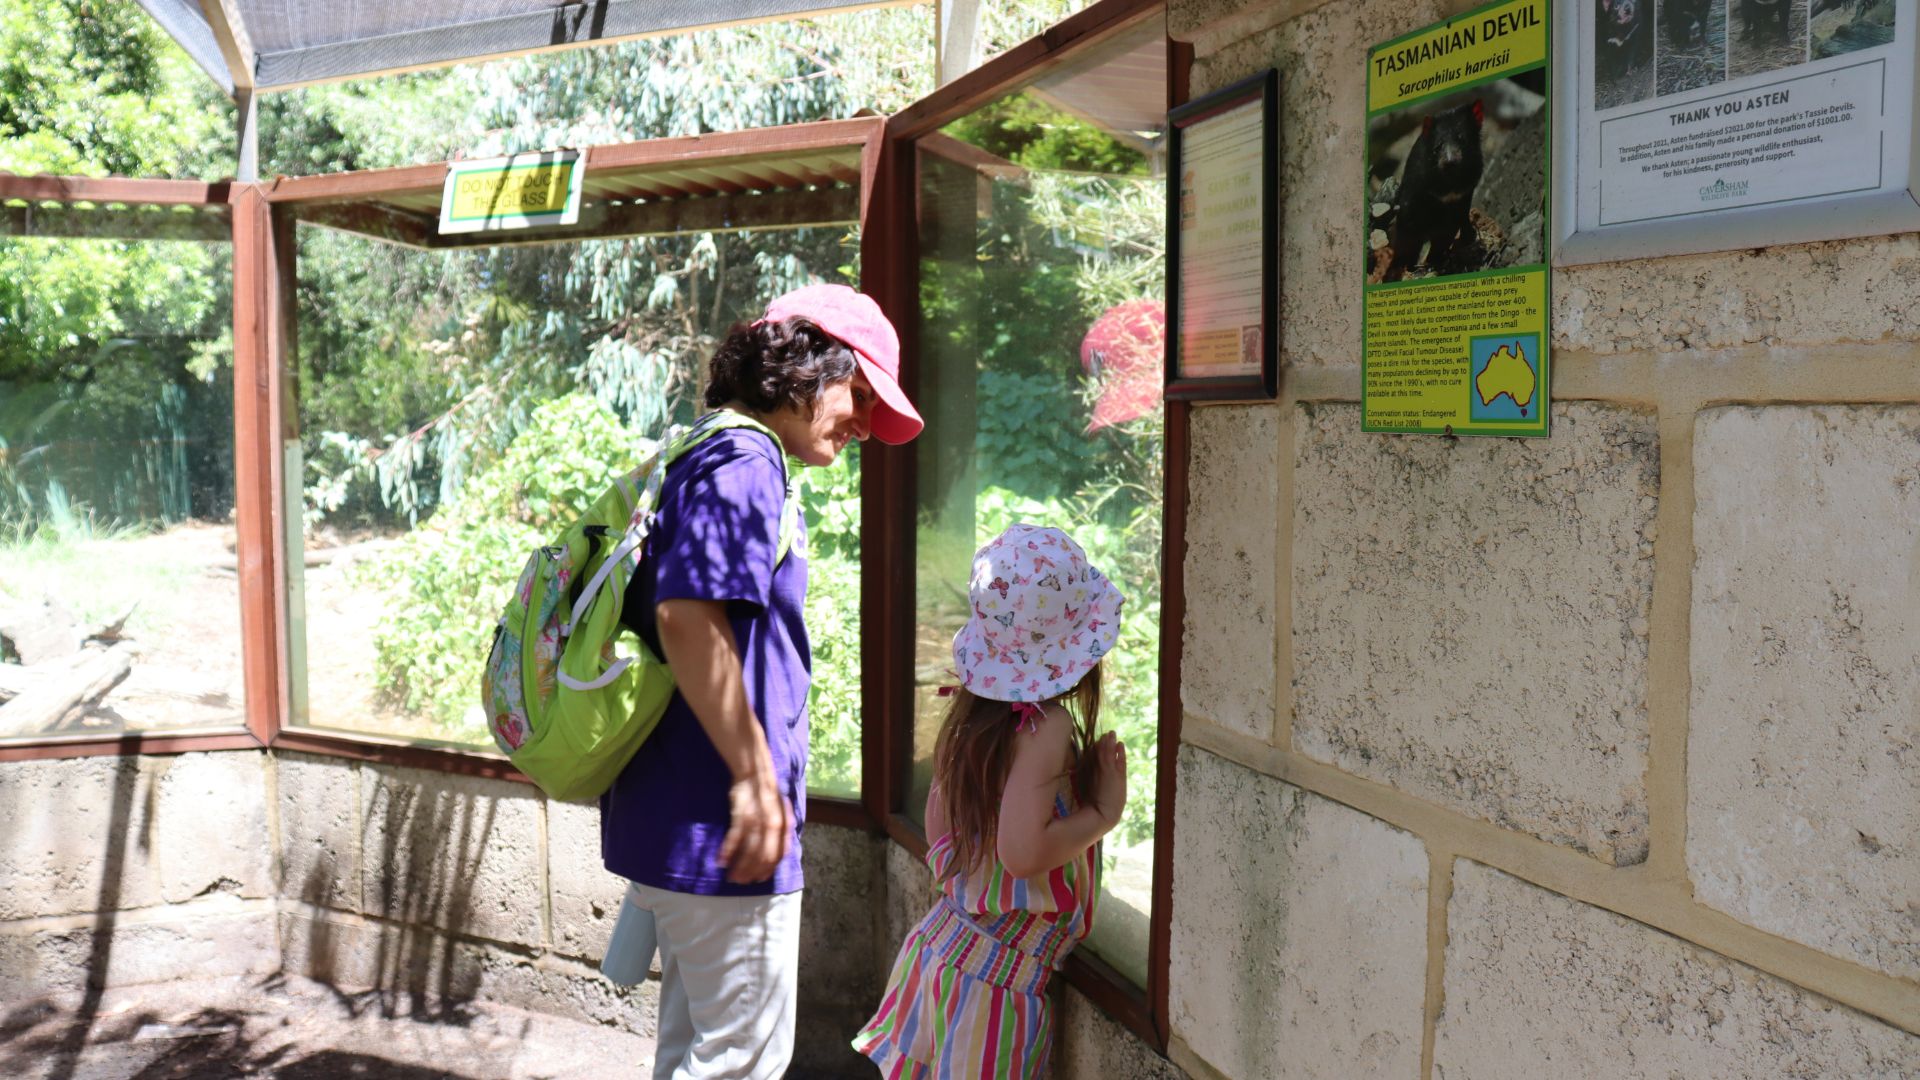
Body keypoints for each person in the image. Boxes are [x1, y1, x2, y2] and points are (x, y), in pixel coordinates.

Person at [600, 283, 922, 1079]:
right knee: (740, 1063)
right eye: (862, 394)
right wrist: (752, 777)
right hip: (719, 825)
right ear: (807, 368)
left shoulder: (713, 446)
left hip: (690, 817)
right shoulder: (745, 459)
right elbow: (685, 616)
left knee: (697, 1054)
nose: (867, 427)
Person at [853, 523, 1129, 1078]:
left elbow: (938, 826)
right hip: (994, 987)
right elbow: (1023, 854)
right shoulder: (1046, 726)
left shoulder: (976, 717)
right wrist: (1101, 814)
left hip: (943, 947)